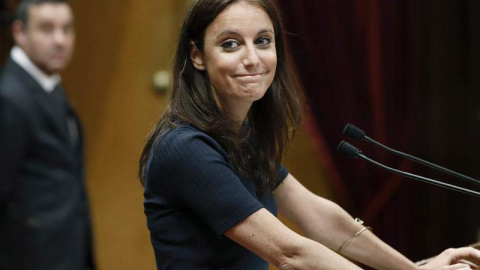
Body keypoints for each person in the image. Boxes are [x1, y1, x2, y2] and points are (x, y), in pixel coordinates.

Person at [139, 0, 480, 269]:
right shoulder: (185, 147)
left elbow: (320, 217)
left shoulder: (240, 138)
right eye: (230, 44)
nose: (252, 58)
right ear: (197, 55)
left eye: (263, 41)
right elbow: (290, 252)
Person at [0, 0, 95, 269]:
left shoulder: (46, 82)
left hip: (66, 249)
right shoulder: (9, 97)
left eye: (67, 30)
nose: (60, 41)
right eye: (46, 29)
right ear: (20, 33)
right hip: (29, 256)